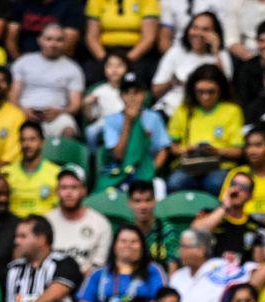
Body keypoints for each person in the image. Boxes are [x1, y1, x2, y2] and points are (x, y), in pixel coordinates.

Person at [165, 64, 244, 194]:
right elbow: (173, 146)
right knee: (175, 182)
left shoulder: (232, 111)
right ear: (193, 90)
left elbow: (238, 151)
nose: (205, 96)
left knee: (215, 183)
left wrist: (217, 151)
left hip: (220, 165)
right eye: (200, 92)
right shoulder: (183, 110)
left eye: (211, 91)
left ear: (220, 90)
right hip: (189, 165)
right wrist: (186, 150)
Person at [97, 72, 172, 193]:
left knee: (159, 186)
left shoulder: (154, 117)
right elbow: (118, 155)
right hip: (120, 171)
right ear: (121, 96)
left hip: (147, 170)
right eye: (127, 93)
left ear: (144, 94)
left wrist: (150, 170)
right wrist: (128, 121)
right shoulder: (111, 120)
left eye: (136, 92)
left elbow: (163, 150)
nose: (132, 97)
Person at [9, 23, 84, 139]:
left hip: (57, 115)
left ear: (65, 43)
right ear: (40, 40)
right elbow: (13, 97)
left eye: (59, 40)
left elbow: (75, 105)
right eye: (49, 39)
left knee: (69, 131)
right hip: (24, 112)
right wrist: (23, 110)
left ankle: (60, 157)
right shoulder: (24, 62)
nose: (53, 44)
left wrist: (59, 112)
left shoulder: (73, 69)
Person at [152, 11, 231, 118]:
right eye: (195, 28)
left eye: (205, 30)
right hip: (171, 109)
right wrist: (175, 82)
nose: (198, 33)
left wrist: (215, 51)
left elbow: (225, 90)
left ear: (215, 33)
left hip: (204, 113)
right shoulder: (176, 52)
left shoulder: (221, 55)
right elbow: (156, 90)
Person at [46, 165, 114, 273]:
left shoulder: (101, 224)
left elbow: (98, 267)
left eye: (74, 187)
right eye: (64, 187)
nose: (68, 193)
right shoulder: (46, 221)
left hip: (86, 285)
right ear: (57, 191)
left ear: (84, 191)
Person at [0, 121, 61, 219]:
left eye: (32, 140)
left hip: (44, 225)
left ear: (42, 142)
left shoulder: (56, 173)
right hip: (13, 226)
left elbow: (59, 208)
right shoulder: (5, 173)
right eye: (23, 140)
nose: (27, 144)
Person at [6, 0, 85, 57]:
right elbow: (10, 38)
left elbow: (69, 44)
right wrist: (20, 61)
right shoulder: (22, 3)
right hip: (22, 57)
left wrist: (47, 64)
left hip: (58, 60)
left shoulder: (72, 4)